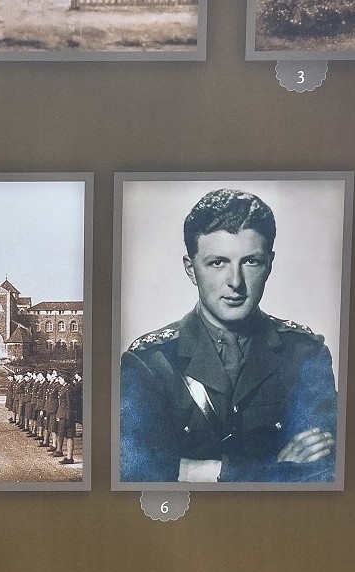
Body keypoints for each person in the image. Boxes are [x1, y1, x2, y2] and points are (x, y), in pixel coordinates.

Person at [120, 188, 338, 483]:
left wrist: (192, 470)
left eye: (251, 261)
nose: (235, 282)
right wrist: (275, 468)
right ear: (191, 269)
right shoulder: (149, 363)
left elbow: (322, 473)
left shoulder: (305, 356)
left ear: (269, 264)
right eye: (217, 262)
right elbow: (136, 473)